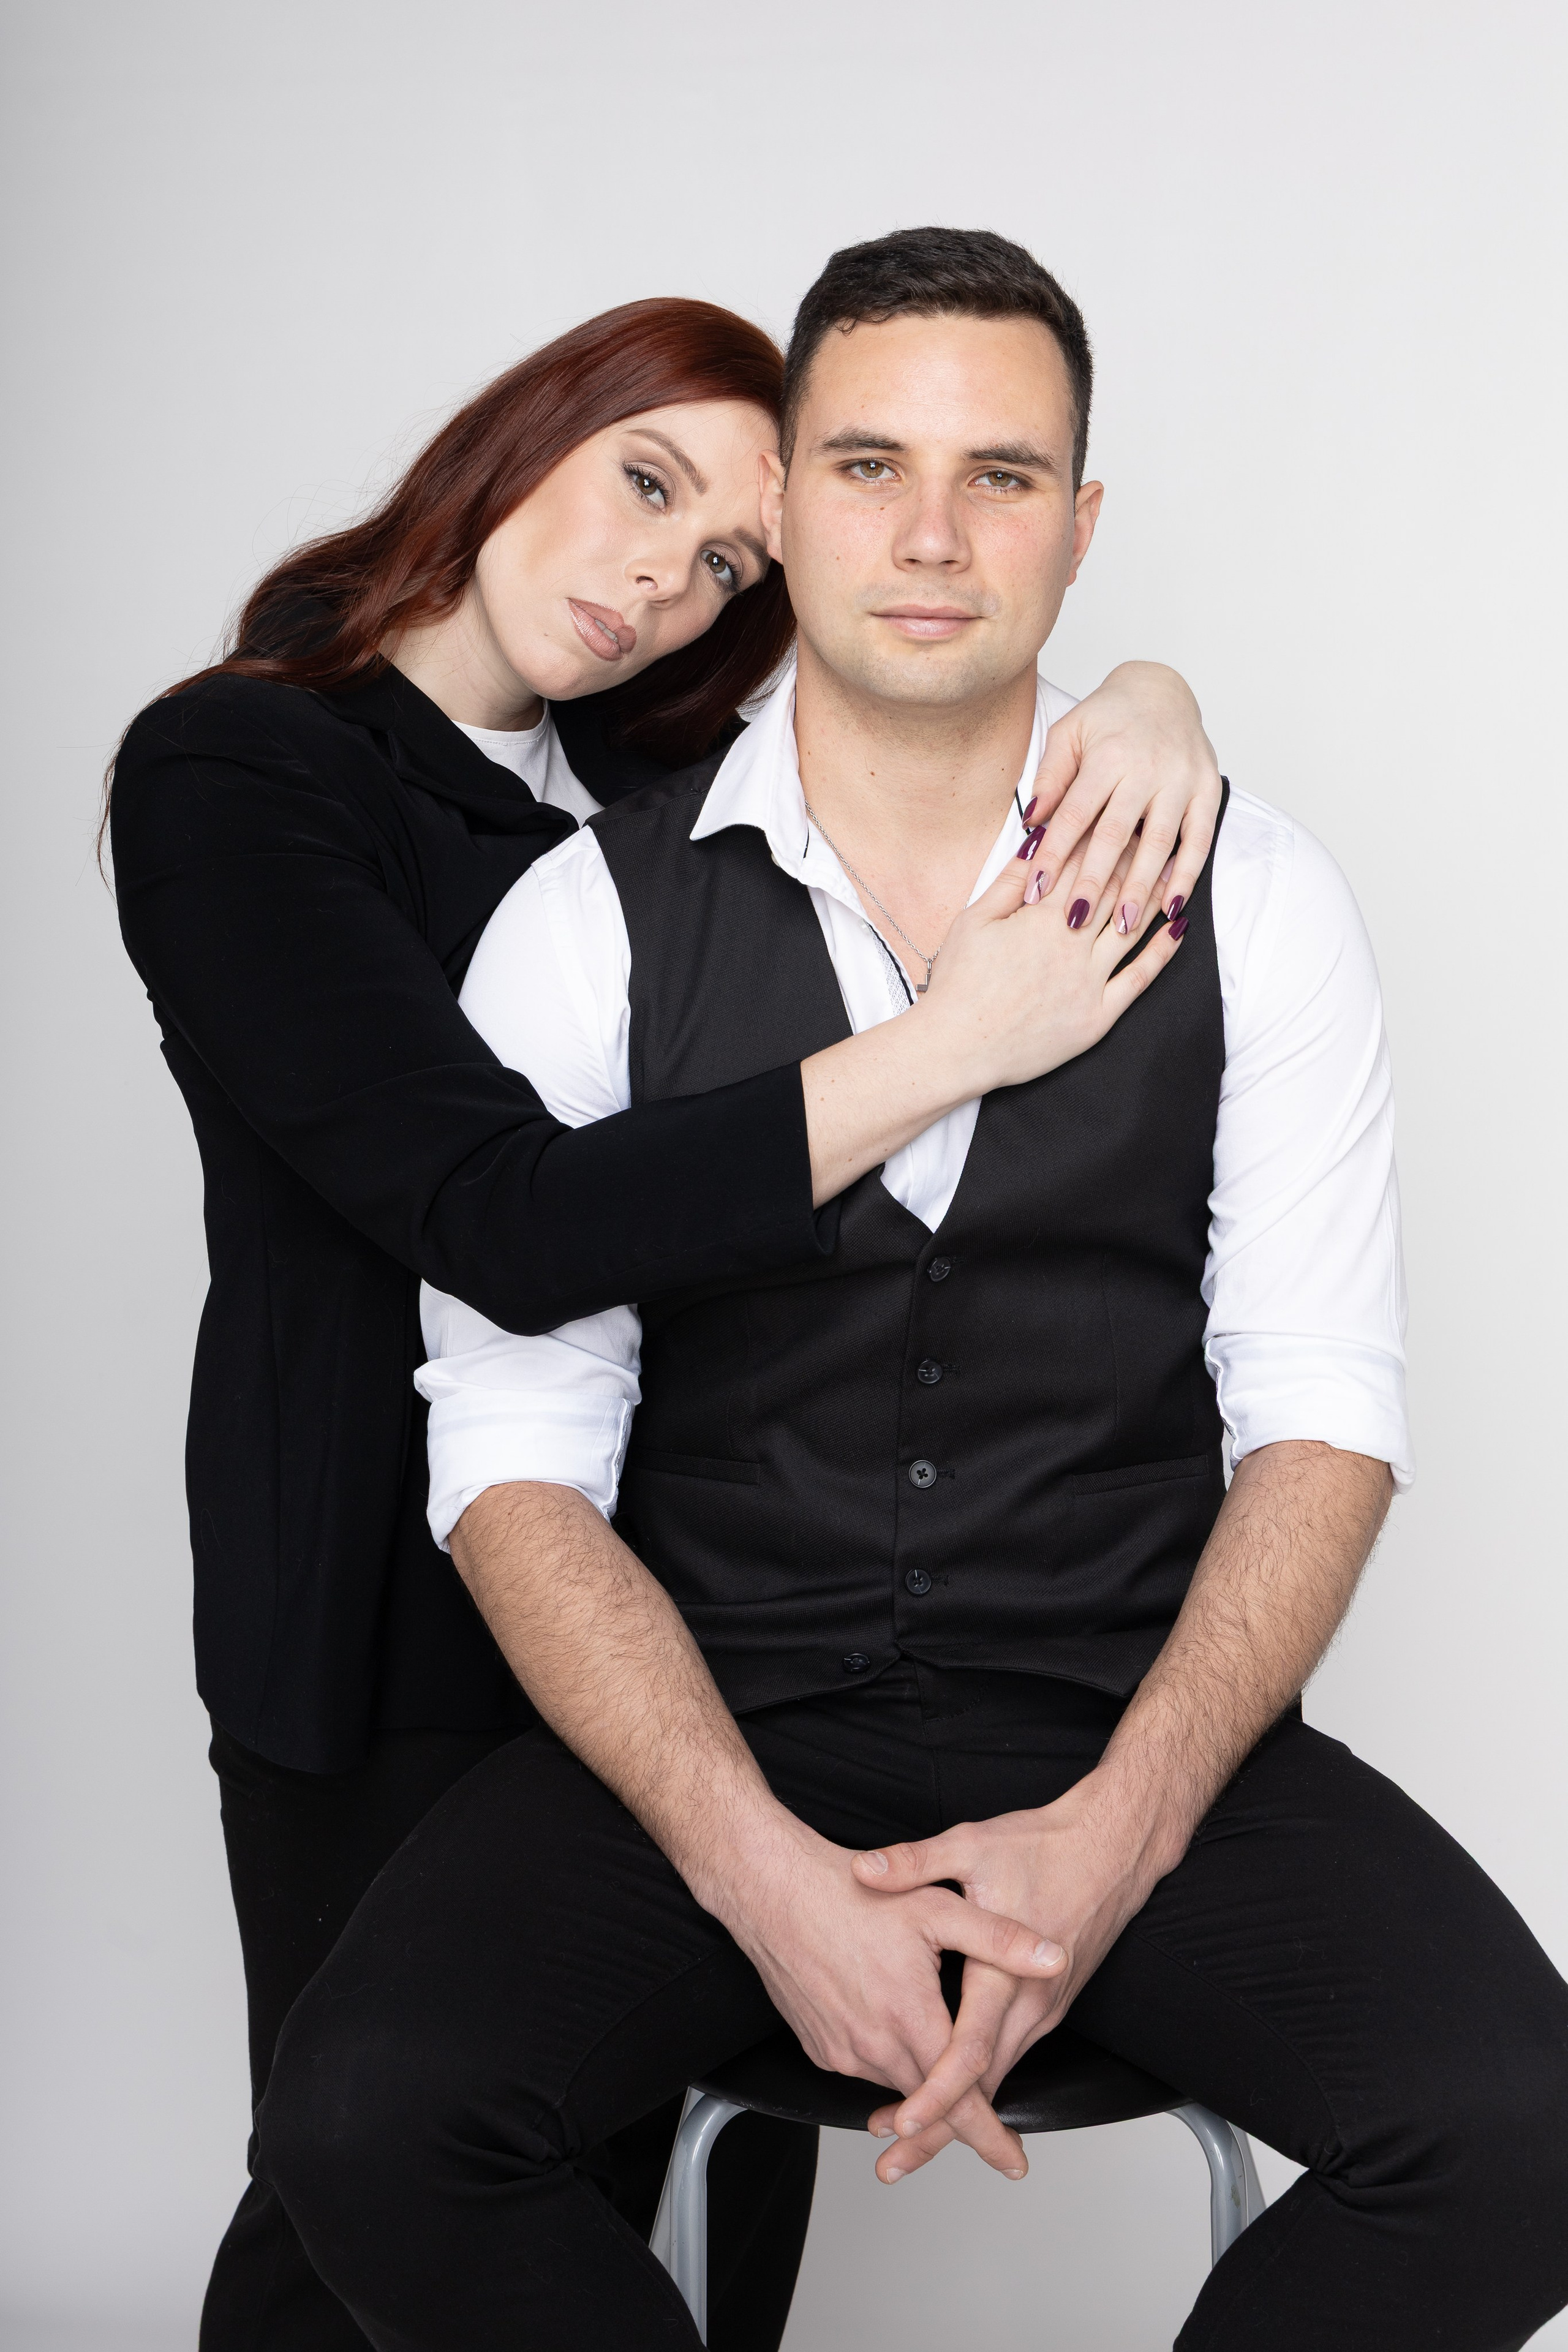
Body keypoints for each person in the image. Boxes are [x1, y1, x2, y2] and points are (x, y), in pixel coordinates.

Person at [254, 226, 1568, 2351]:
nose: (935, 535)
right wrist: (755, 1870)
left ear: (1082, 525)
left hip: (1119, 1712)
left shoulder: (1263, 894)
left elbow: (1322, 1414)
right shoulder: (589, 922)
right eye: (869, 467)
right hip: (717, 1713)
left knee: (1527, 2126)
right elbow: (514, 1466)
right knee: (369, 2117)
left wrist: (1124, 1835)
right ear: (786, 505)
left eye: (1005, 478)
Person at [109, 293, 1226, 2352]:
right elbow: (497, 1214)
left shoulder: (662, 796)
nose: (660, 579)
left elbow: (943, 716)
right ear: (520, 435)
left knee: (714, 2210)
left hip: (699, 1609)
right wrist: (956, 1044)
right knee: (374, 2214)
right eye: (645, 486)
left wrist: (1146, 698)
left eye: (726, 552)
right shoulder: (238, 767)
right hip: (384, 1603)